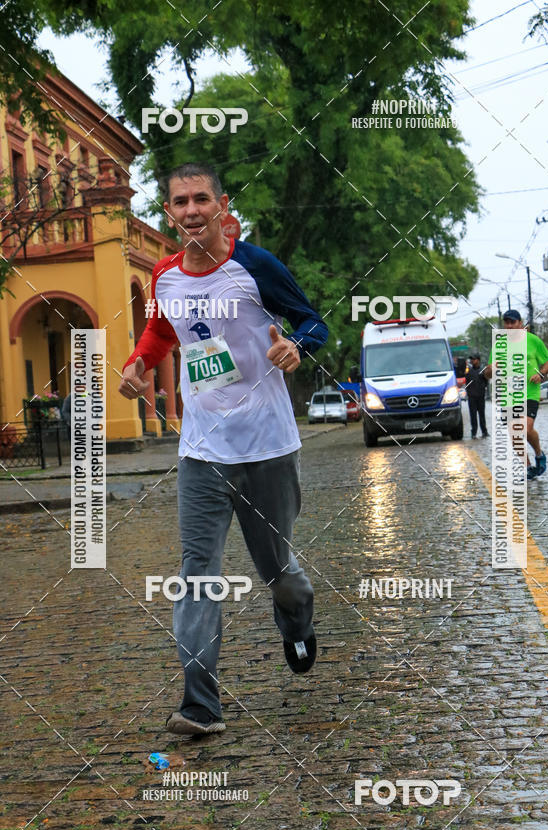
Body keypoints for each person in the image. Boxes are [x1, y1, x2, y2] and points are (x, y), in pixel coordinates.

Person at [118, 162, 328, 736]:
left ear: (221, 205)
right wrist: (139, 363)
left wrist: (296, 348)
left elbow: (312, 322)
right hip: (202, 449)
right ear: (168, 213)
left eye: (201, 199)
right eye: (180, 202)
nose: (191, 211)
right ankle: (200, 704)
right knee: (196, 574)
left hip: (267, 446)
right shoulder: (164, 276)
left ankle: (297, 622)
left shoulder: (254, 266)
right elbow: (163, 331)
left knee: (277, 568)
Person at [483, 309, 548, 480]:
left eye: (513, 322)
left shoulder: (533, 341)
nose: (509, 326)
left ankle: (539, 453)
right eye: (507, 323)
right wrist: (491, 369)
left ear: (520, 324)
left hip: (530, 391)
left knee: (525, 428)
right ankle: (528, 467)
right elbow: (487, 374)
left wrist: (541, 374)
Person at [464, 351, 488, 438]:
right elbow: (466, 382)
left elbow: (486, 382)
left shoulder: (483, 370)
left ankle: (484, 432)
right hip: (472, 397)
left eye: (473, 359)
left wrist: (483, 390)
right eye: (471, 359)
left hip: (481, 397)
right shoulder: (468, 371)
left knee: (482, 415)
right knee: (473, 416)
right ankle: (473, 433)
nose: (472, 361)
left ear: (478, 360)